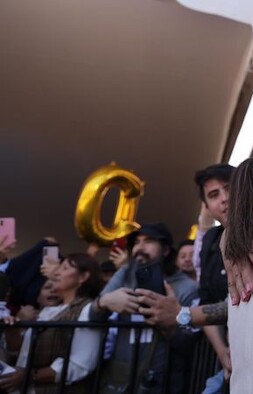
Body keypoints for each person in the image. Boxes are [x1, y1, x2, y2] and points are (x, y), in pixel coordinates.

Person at [89, 223, 199, 394]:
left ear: (165, 250)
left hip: (164, 382)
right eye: (136, 242)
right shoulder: (125, 274)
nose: (140, 247)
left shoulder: (187, 287)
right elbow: (93, 315)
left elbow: (190, 343)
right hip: (119, 380)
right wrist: (103, 302)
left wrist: (170, 323)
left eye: (148, 241)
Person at [0, 253, 102, 393]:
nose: (57, 272)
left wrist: (29, 375)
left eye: (65, 268)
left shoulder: (85, 310)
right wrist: (11, 330)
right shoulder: (47, 311)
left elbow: (80, 365)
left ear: (83, 277)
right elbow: (21, 351)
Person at [192, 163, 236, 392]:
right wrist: (222, 351)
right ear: (207, 207)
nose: (225, 198)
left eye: (229, 188)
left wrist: (181, 315)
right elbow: (206, 298)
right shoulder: (210, 241)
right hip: (227, 360)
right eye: (214, 194)